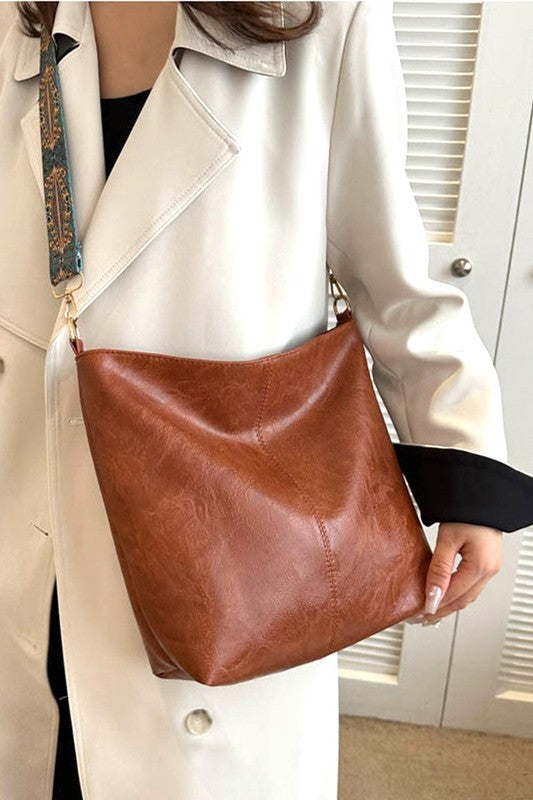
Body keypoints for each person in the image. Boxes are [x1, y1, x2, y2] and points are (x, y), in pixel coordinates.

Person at [2, 1, 533, 798]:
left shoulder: (324, 20)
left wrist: (466, 468)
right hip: (30, 495)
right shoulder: (20, 20)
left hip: (229, 531)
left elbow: (391, 280)